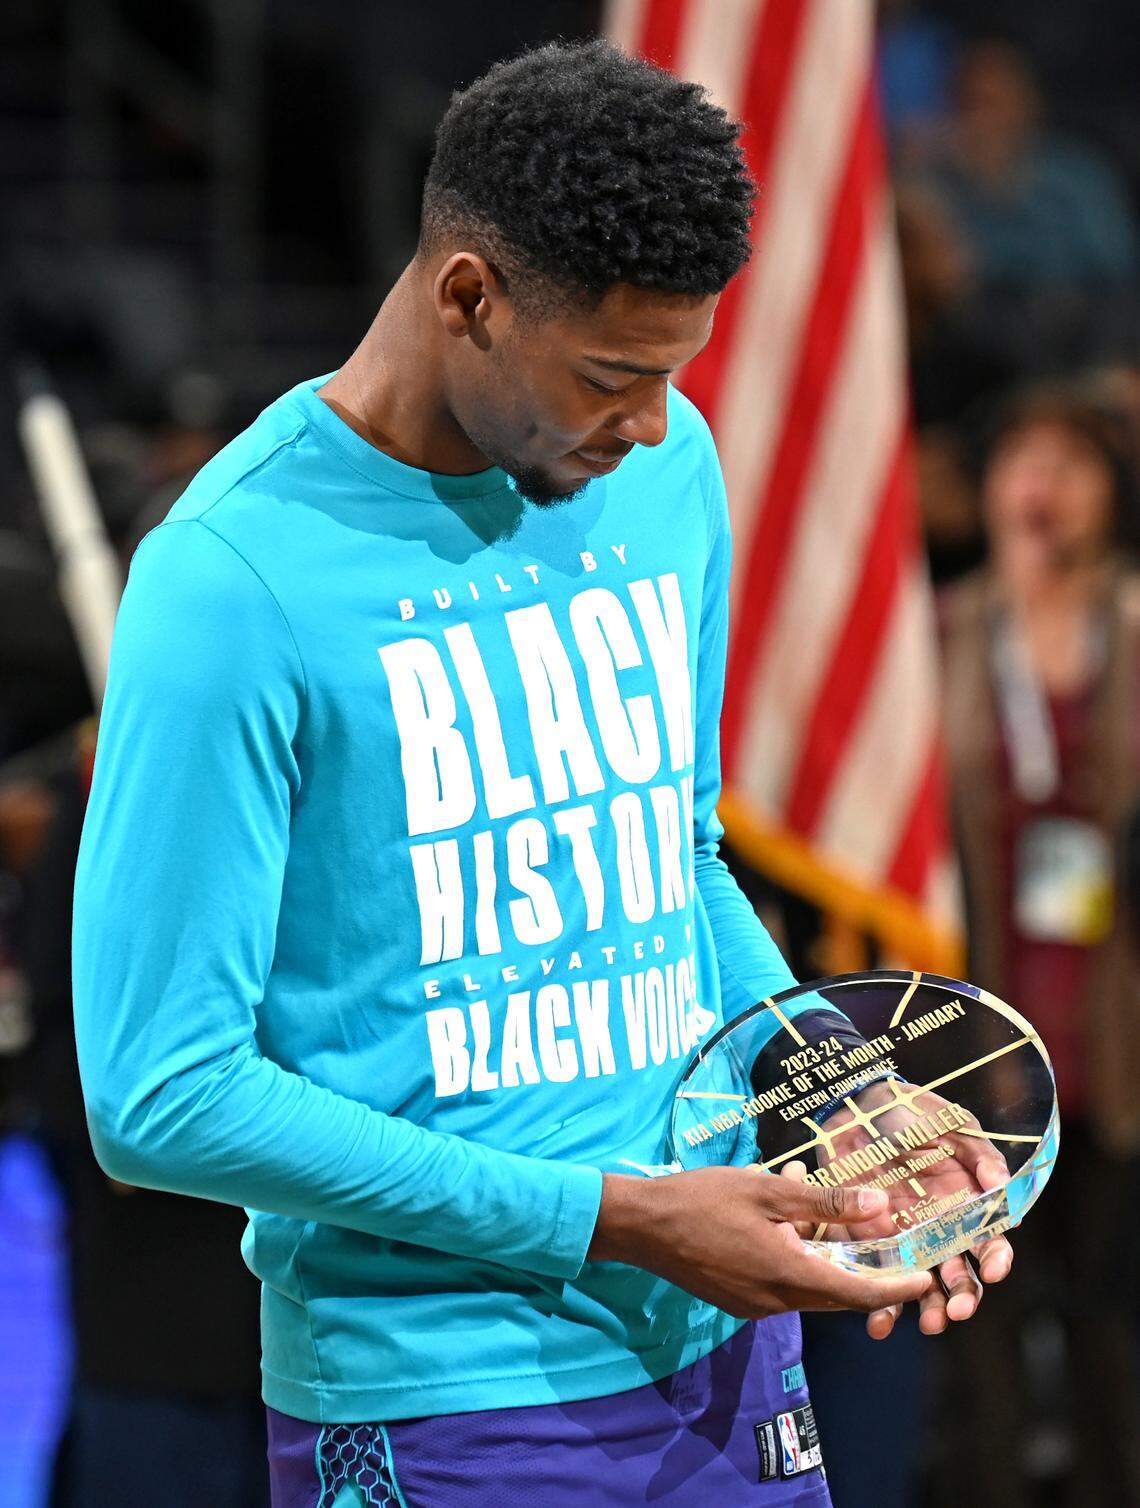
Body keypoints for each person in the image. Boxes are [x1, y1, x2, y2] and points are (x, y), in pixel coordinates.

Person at [72, 41, 1010, 1507]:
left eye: (671, 377)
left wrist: (830, 1079)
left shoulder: (666, 466)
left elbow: (675, 856)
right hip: (445, 1396)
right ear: (467, 296)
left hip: (726, 1353)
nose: (647, 425)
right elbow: (160, 1095)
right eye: (611, 377)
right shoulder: (227, 579)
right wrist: (614, 1221)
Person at [938, 382, 1140, 1505]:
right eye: (1022, 457)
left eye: (1072, 462)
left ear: (1111, 493)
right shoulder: (939, 635)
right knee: (983, 1316)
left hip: (1115, 1022)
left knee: (1112, 1316)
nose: (1042, 484)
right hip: (978, 1032)